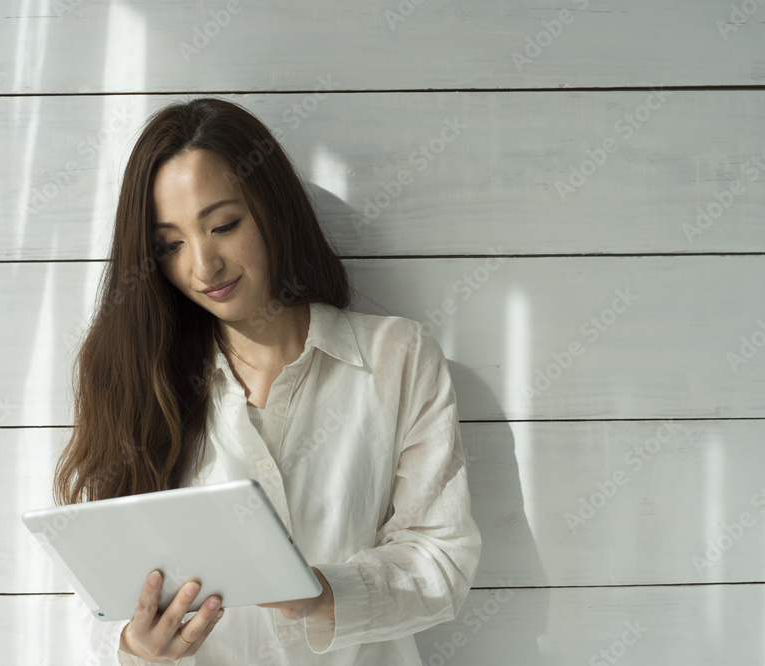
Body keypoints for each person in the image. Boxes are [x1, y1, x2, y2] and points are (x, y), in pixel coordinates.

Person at [52, 97, 481, 665]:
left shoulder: (396, 357)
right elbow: (96, 598)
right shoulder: (138, 379)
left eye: (223, 225)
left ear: (272, 208)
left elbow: (442, 559)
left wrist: (321, 592)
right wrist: (134, 648)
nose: (203, 267)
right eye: (170, 245)